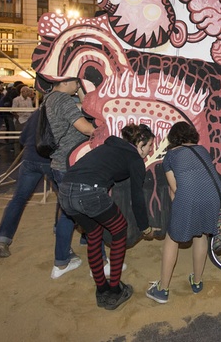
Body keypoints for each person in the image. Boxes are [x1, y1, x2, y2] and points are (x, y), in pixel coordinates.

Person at [58, 123, 155, 310]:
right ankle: (115, 290)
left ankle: (101, 289)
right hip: (88, 193)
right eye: (149, 145)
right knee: (119, 230)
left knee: (94, 234)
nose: (150, 150)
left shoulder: (110, 147)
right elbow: (137, 198)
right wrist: (145, 227)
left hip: (65, 192)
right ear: (141, 143)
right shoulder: (134, 159)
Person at [146, 121, 221, 304]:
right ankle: (197, 282)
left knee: (172, 239)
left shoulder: (171, 155)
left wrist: (179, 214)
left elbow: (175, 189)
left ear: (172, 138)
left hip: (189, 196)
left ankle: (162, 290)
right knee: (201, 235)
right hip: (214, 196)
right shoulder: (203, 150)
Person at [43, 77, 95, 279]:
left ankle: (61, 262)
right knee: (91, 211)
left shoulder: (50, 98)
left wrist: (81, 90)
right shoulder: (63, 100)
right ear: (65, 81)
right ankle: (101, 263)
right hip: (72, 164)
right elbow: (85, 127)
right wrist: (105, 132)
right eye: (76, 81)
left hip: (60, 164)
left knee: (67, 214)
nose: (78, 85)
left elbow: (89, 108)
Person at [0, 108, 57, 258]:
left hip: (29, 159)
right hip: (51, 160)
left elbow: (22, 138)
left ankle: (2, 239)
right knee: (64, 196)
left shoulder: (37, 112)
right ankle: (59, 228)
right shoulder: (61, 110)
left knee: (18, 199)